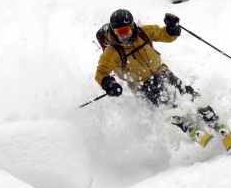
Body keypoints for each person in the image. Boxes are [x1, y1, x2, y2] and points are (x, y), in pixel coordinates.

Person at [95, 8, 224, 147]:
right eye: (119, 32)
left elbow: (164, 35)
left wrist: (172, 28)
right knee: (166, 106)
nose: (124, 35)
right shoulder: (112, 51)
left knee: (186, 94)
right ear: (113, 32)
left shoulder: (144, 32)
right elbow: (101, 72)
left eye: (126, 30)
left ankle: (211, 118)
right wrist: (109, 84)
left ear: (132, 26)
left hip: (161, 72)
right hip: (141, 85)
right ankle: (190, 127)